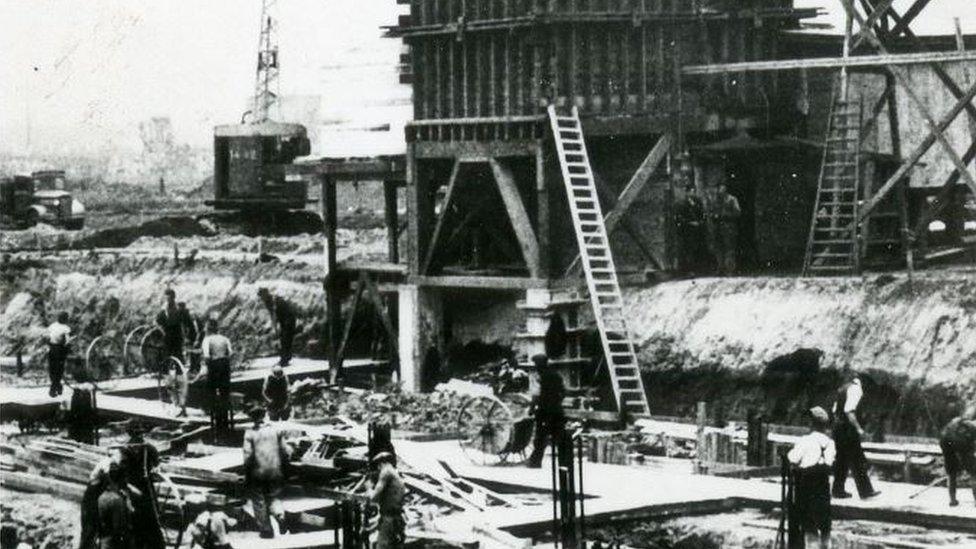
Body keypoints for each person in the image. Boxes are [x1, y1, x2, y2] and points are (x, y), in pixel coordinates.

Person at [788, 407, 836, 549]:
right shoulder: (830, 443)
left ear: (812, 423)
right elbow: (830, 462)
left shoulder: (805, 441)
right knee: (824, 522)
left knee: (809, 523)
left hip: (806, 484)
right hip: (823, 484)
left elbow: (793, 457)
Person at [831, 374, 880, 500]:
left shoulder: (843, 388)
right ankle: (866, 491)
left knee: (842, 459)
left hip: (838, 427)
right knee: (857, 459)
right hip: (847, 429)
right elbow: (849, 411)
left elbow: (834, 410)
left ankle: (838, 490)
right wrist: (858, 429)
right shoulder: (856, 390)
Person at [243, 406, 289, 538]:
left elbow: (247, 455)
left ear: (252, 418)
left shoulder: (250, 433)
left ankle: (266, 530)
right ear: (264, 415)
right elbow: (285, 451)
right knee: (274, 496)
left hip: (258, 472)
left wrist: (246, 472)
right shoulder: (275, 430)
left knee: (259, 499)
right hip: (275, 470)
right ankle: (280, 516)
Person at [119, 421, 165, 549]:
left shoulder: (126, 449)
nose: (139, 437)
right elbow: (157, 464)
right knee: (150, 518)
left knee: (137, 519)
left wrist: (156, 469)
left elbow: (121, 470)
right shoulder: (147, 447)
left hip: (136, 487)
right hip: (143, 487)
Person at [79, 448, 124, 549]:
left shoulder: (111, 463)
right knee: (90, 529)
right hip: (92, 498)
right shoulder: (107, 464)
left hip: (96, 494)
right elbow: (112, 481)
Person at [526, 354, 566, 468]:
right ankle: (564, 463)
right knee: (560, 437)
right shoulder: (556, 375)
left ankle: (535, 462)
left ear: (539, 364)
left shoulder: (540, 377)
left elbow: (536, 396)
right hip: (557, 411)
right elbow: (563, 392)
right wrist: (556, 402)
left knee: (540, 438)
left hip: (544, 412)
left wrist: (531, 409)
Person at [197, 318, 234, 436]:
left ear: (208, 329)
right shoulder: (225, 339)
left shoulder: (207, 340)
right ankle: (225, 421)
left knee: (211, 392)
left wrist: (207, 368)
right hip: (225, 365)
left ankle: (215, 422)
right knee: (225, 393)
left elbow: (207, 356)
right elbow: (231, 353)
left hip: (214, 365)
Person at [939, 406, 976, 507]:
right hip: (961, 442)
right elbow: (971, 446)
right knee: (974, 473)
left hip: (945, 440)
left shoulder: (956, 421)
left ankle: (952, 500)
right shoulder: (972, 425)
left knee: (951, 473)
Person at [369, 452, 405, 549]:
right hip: (397, 517)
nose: (378, 469)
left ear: (381, 464)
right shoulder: (394, 472)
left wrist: (368, 489)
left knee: (382, 546)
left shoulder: (386, 472)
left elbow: (373, 497)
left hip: (389, 519)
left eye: (378, 466)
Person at [96, 459, 134, 549]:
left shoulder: (102, 496)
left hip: (102, 539)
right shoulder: (117, 500)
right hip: (112, 543)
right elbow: (118, 528)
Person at [258, 288, 297, 367]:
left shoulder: (274, 300)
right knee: (284, 338)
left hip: (289, 319)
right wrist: (275, 328)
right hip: (283, 319)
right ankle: (286, 358)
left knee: (285, 338)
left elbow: (274, 314)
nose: (261, 298)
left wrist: (275, 328)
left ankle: (284, 360)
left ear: (266, 294)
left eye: (262, 296)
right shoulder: (267, 302)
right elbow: (272, 315)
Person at [155, 289, 195, 367]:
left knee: (178, 354)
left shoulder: (179, 309)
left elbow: (188, 322)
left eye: (170, 298)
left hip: (177, 334)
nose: (168, 300)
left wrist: (188, 336)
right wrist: (162, 330)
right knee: (166, 354)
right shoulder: (163, 310)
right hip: (166, 334)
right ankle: (165, 373)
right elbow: (158, 321)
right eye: (167, 298)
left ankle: (179, 372)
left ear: (174, 297)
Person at [674, 183, 706, 275]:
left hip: (697, 230)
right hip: (686, 230)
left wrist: (700, 222)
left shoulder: (698, 202)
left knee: (698, 249)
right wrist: (690, 222)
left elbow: (703, 214)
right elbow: (679, 217)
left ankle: (699, 269)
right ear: (687, 192)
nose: (693, 193)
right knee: (688, 250)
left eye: (694, 191)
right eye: (691, 191)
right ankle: (689, 270)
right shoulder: (681, 203)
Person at [711, 184, 741, 275]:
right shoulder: (715, 201)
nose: (721, 191)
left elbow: (737, 212)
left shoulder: (732, 199)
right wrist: (714, 216)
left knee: (729, 248)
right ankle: (720, 268)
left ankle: (729, 269)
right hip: (718, 227)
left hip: (729, 227)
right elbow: (711, 212)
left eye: (723, 189)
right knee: (719, 248)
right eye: (719, 189)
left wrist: (725, 215)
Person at [65, 371, 98, 444]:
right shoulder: (84, 387)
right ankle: (79, 439)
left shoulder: (86, 387)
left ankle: (83, 439)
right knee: (79, 424)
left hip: (83, 406)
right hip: (80, 405)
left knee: (84, 425)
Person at [46, 312, 72, 397]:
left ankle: (55, 388)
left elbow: (47, 336)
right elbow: (68, 341)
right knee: (57, 370)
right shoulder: (65, 328)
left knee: (53, 369)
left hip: (54, 348)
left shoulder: (53, 326)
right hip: (58, 349)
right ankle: (56, 387)